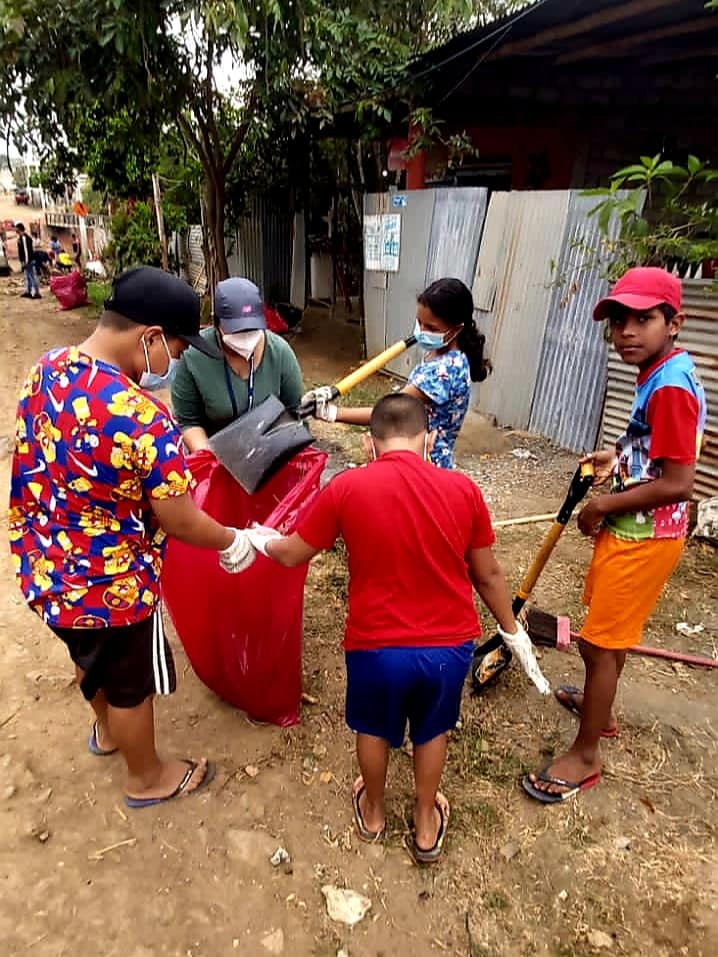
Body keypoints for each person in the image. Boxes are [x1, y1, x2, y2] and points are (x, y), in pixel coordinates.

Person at [245, 393, 537, 863]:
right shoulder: (463, 490)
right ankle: (425, 823)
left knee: (373, 728)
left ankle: (374, 812)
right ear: (431, 440)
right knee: (432, 730)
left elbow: (292, 552)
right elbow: (487, 575)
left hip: (375, 647)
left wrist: (256, 539)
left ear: (369, 444)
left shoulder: (346, 488)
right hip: (447, 648)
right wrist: (512, 631)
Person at [9, 265, 256, 809]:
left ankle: (105, 732)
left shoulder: (46, 369)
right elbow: (180, 518)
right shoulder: (143, 417)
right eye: (176, 347)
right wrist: (231, 540)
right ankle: (147, 777)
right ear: (149, 337)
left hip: (47, 569)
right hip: (112, 587)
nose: (177, 358)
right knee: (130, 686)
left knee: (88, 658)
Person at [523, 267, 706, 804]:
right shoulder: (660, 370)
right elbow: (655, 449)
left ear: (675, 322)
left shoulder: (670, 386)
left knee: (599, 644)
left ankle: (586, 756)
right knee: (611, 635)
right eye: (618, 321)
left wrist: (601, 505)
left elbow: (679, 482)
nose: (626, 331)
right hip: (636, 532)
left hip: (644, 538)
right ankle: (598, 709)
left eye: (643, 319)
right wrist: (619, 456)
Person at [302, 278, 488, 469]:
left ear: (456, 329)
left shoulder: (446, 370)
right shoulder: (439, 354)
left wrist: (332, 413)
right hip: (413, 455)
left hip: (426, 464)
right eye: (420, 323)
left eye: (431, 328)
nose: (421, 331)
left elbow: (388, 413)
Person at [171, 276, 304, 452]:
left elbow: (294, 413)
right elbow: (189, 422)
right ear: (216, 323)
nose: (246, 336)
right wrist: (210, 459)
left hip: (268, 452)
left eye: (252, 328)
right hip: (215, 452)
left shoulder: (280, 353)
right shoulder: (194, 356)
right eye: (237, 330)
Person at [15, 221, 40, 299]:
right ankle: (28, 291)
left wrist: (25, 262)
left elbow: (26, 251)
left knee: (32, 276)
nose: (15, 229)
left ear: (19, 228)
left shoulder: (24, 238)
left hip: (28, 260)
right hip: (27, 260)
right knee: (27, 277)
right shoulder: (22, 238)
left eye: (16, 228)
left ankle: (37, 293)